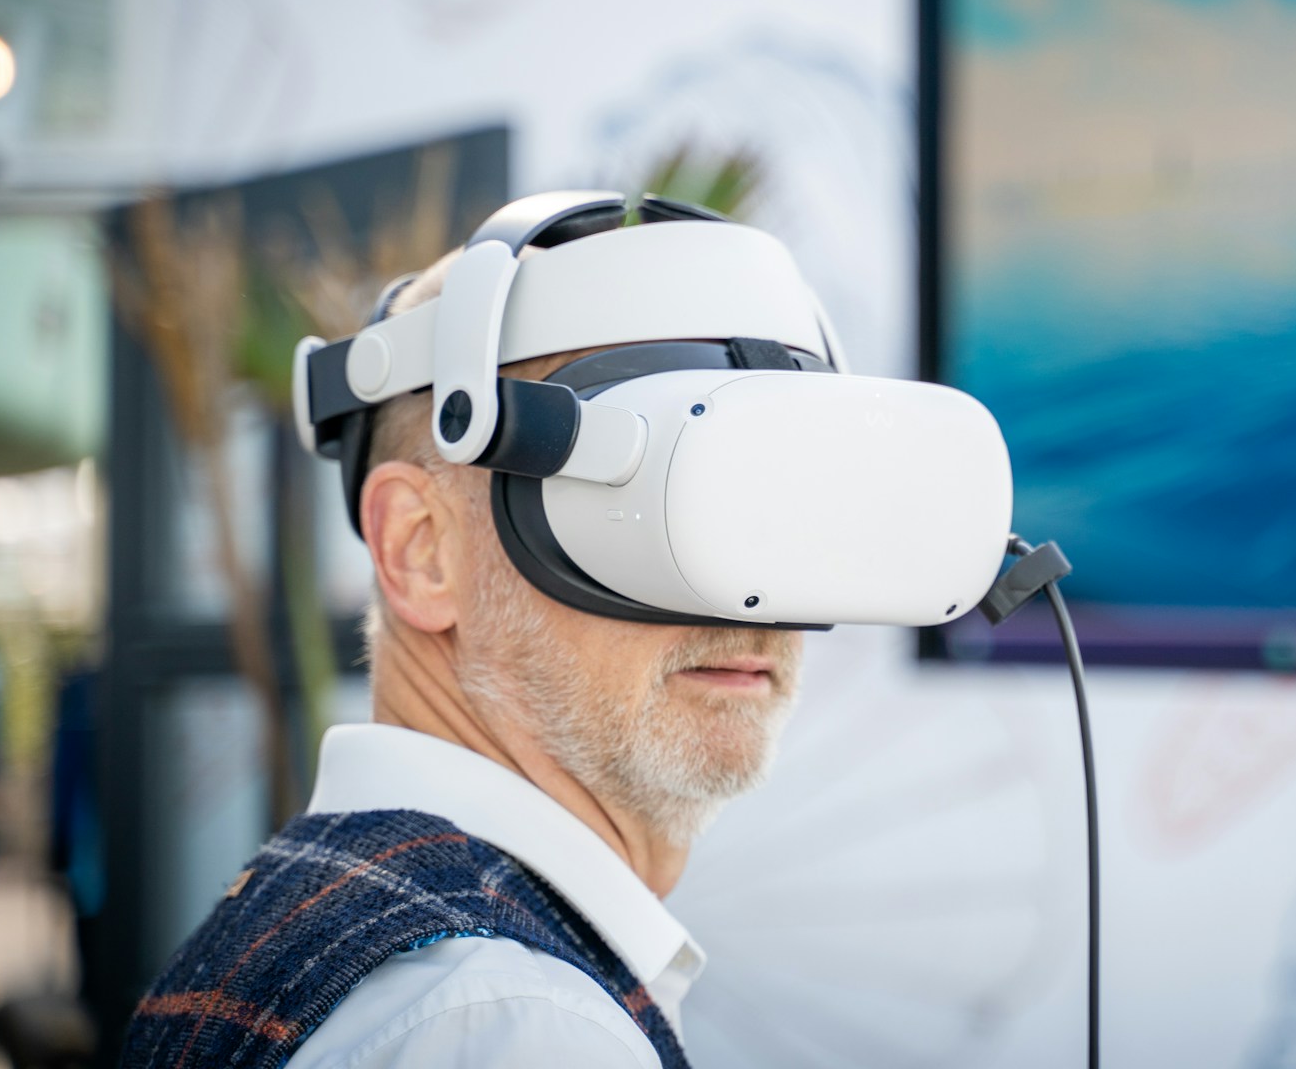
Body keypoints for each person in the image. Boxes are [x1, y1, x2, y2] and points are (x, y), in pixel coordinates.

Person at [121, 240, 804, 1068]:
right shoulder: (515, 1023)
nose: (747, 599)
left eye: (775, 511)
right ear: (422, 549)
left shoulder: (314, 921)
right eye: (649, 500)